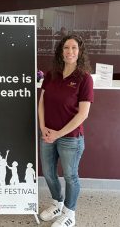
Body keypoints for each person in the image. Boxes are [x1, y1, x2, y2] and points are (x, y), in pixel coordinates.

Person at [38, 34, 93, 227]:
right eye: (66, 48)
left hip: (70, 138)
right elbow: (42, 103)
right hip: (47, 134)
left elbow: (83, 114)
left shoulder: (84, 78)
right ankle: (57, 202)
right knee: (48, 173)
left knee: (70, 176)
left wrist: (57, 134)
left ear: (80, 52)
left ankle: (70, 213)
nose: (70, 52)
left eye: (74, 48)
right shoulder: (51, 74)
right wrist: (43, 127)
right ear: (61, 52)